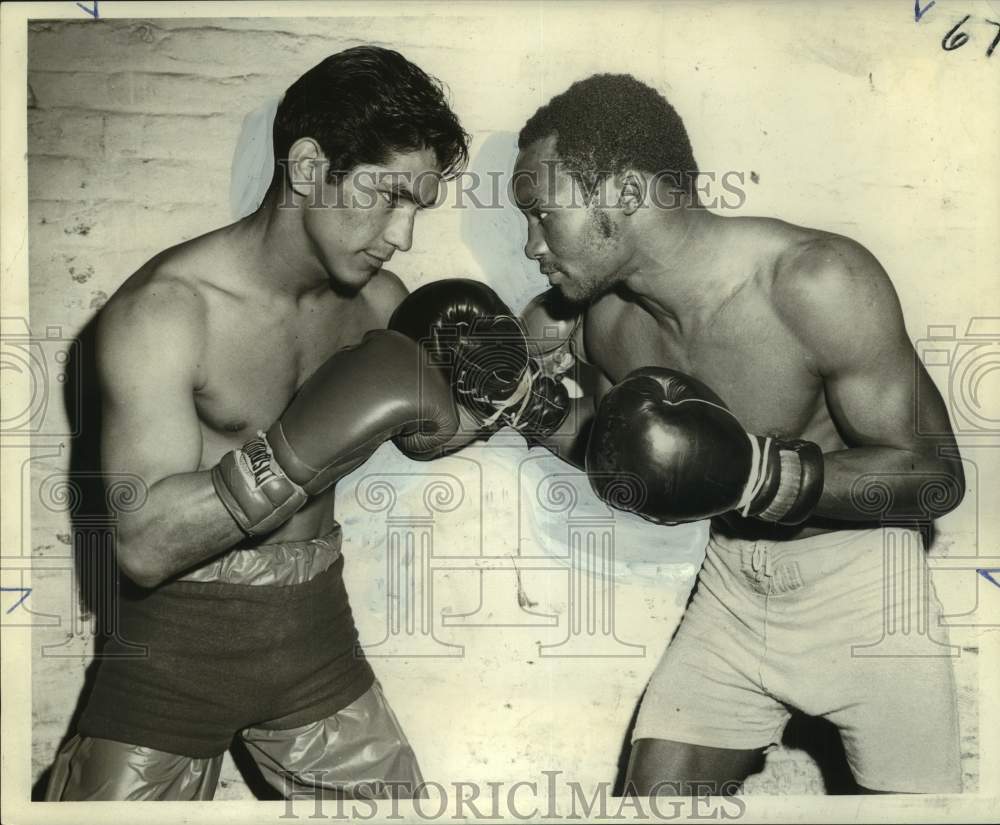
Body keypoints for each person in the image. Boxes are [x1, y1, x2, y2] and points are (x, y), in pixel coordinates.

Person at [492, 73, 965, 794]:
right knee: (652, 799)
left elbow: (936, 476)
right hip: (733, 591)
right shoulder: (610, 325)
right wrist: (532, 408)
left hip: (868, 594)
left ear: (623, 192)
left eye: (540, 214)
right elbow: (627, 452)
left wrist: (758, 474)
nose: (531, 245)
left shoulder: (815, 282)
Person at [45, 46, 470, 802]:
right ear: (309, 167)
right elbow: (141, 545)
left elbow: (428, 429)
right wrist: (299, 447)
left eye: (418, 207)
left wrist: (510, 395)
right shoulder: (170, 311)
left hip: (317, 651)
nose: (402, 235)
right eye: (388, 196)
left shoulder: (380, 303)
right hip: (171, 662)